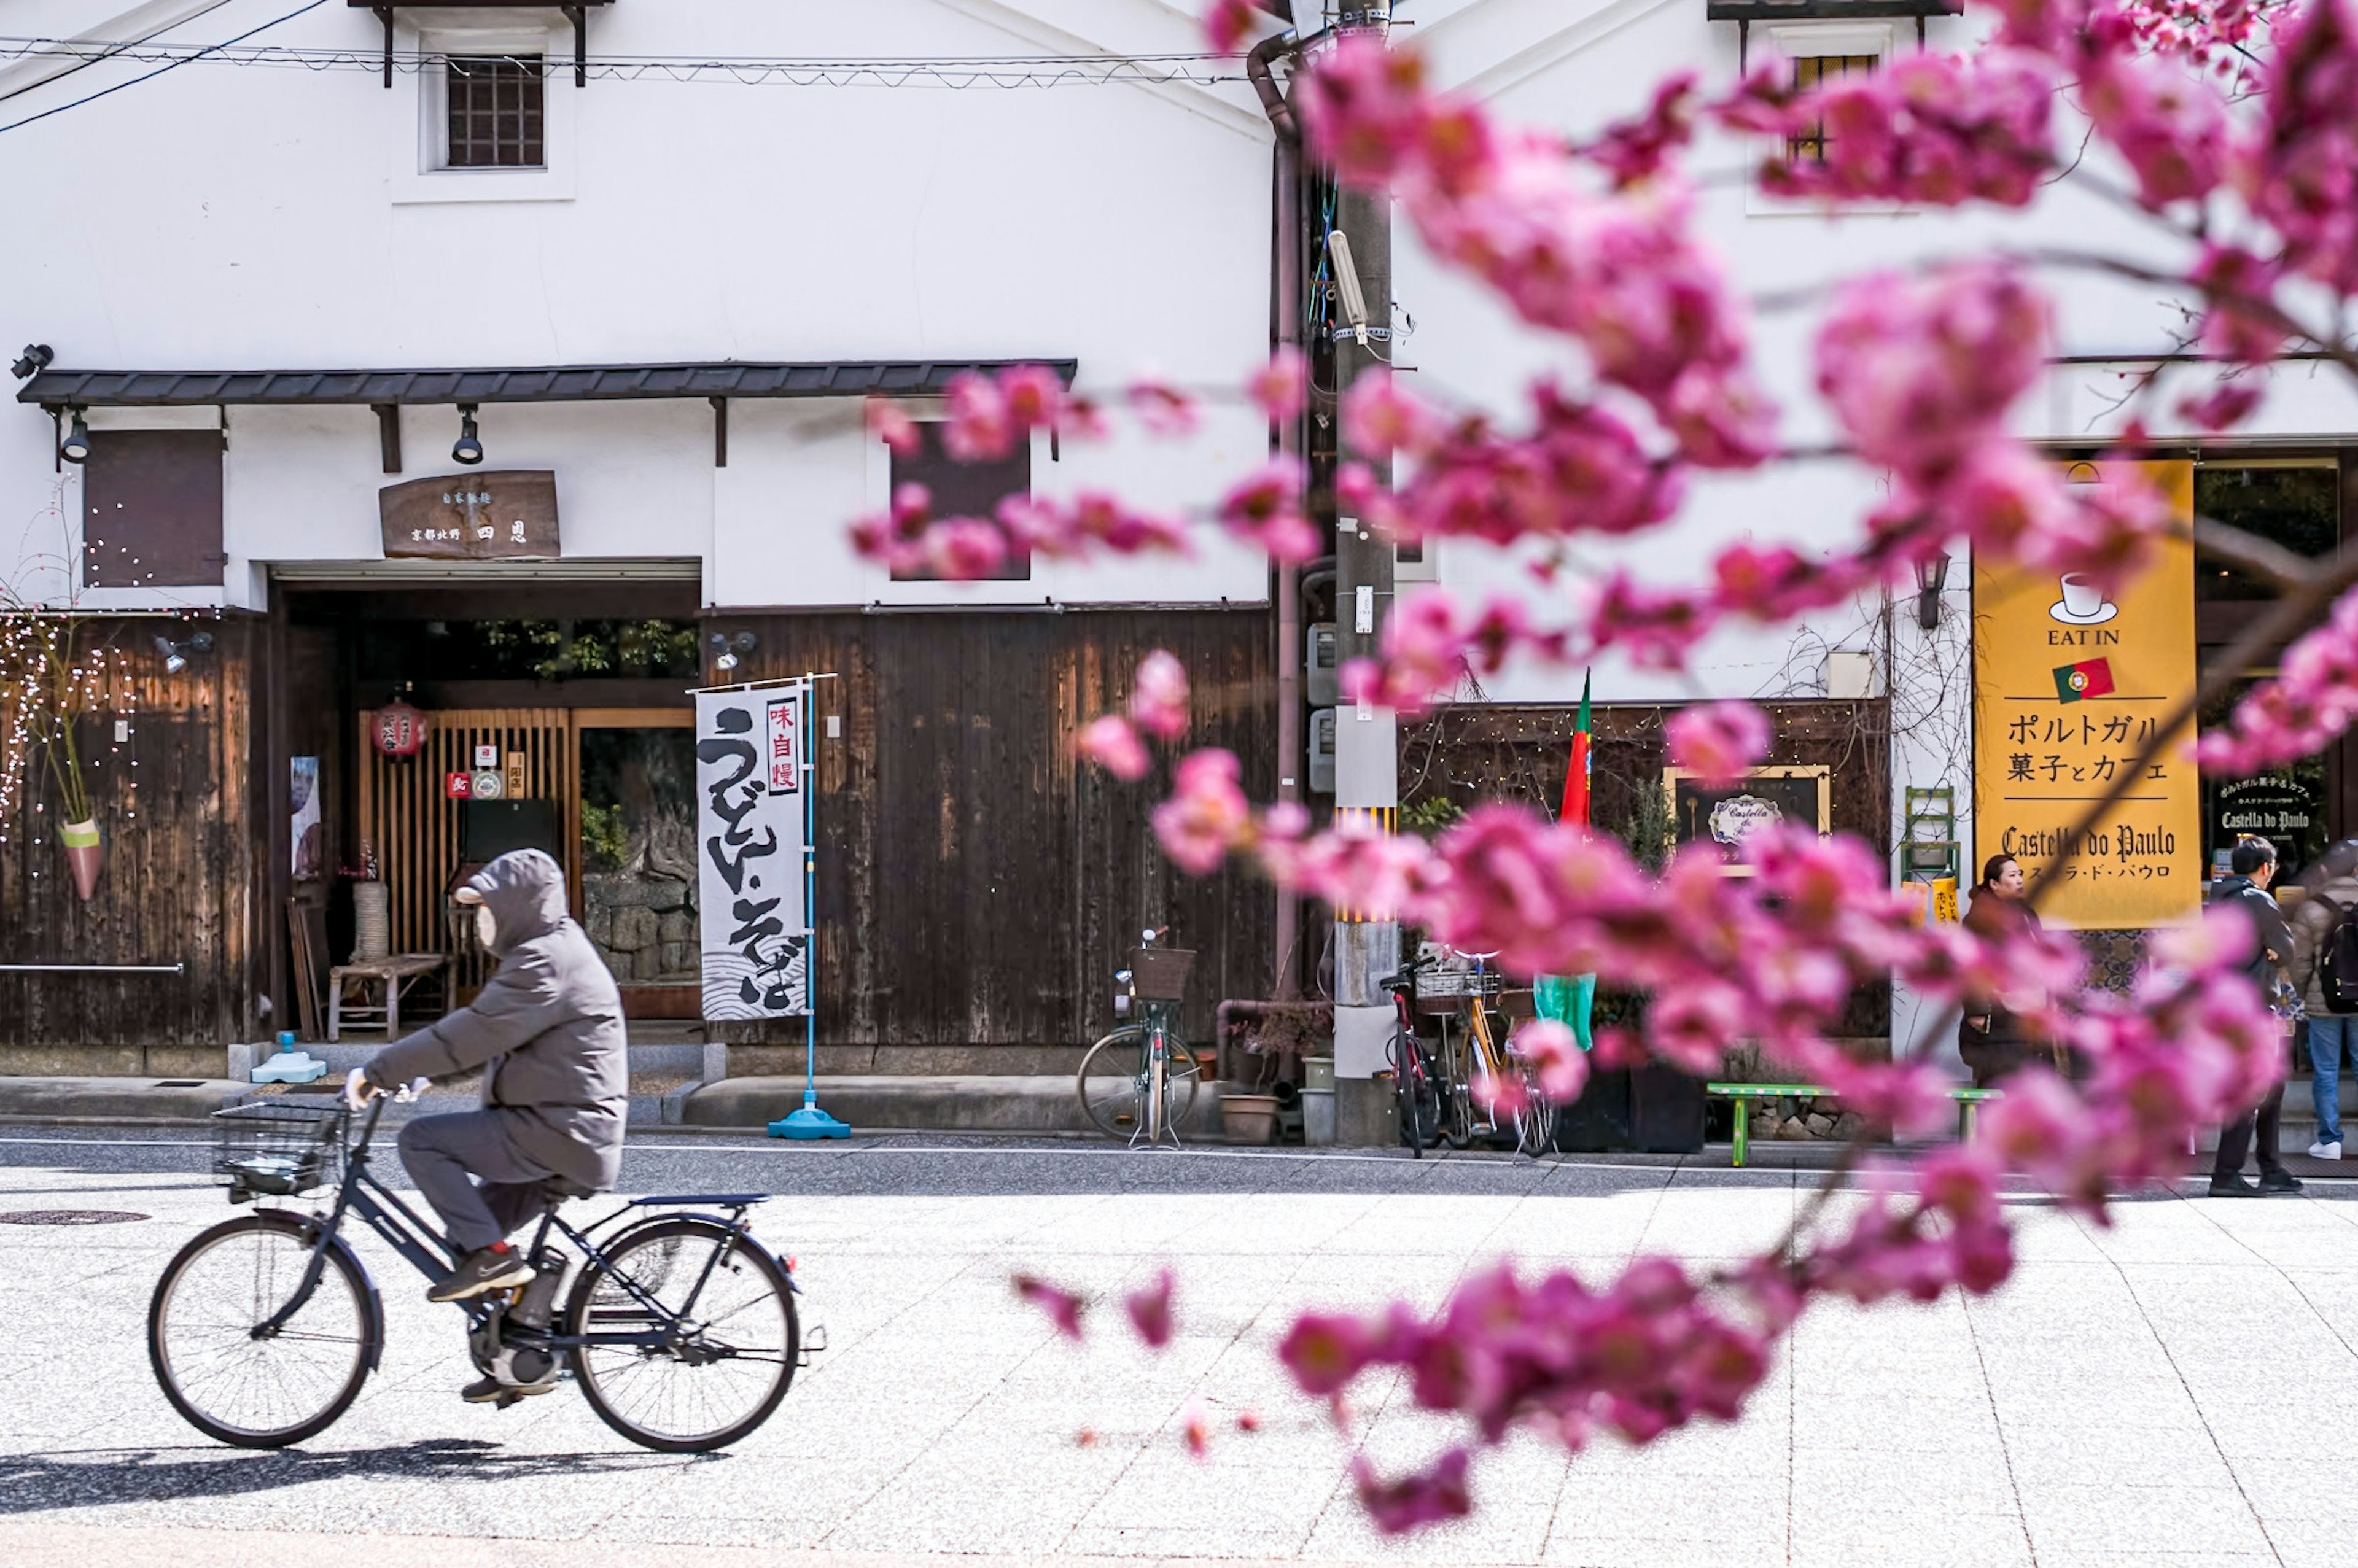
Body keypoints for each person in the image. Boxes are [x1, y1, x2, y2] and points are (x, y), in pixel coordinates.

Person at [342, 848, 628, 1398]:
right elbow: (494, 1040)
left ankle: (496, 1262)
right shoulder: (550, 951)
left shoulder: (544, 959)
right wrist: (430, 1076)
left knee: (423, 1142)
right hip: (560, 1127)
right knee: (465, 1234)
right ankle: (519, 1355)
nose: (480, 922)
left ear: (520, 906)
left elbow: (474, 1030)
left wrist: (380, 1069)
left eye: (487, 907)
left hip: (559, 1131)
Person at [2207, 837, 2304, 1197]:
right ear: (2266, 867)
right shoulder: (2259, 900)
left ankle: (2271, 1167)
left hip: (2229, 1006)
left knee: (2271, 1085)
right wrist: (2273, 951)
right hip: (2252, 1007)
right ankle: (2226, 1174)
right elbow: (2287, 950)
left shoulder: (2216, 899)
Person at [2290, 838, 2358, 1160]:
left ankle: (2330, 1141)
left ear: (2323, 870)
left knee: (2326, 1070)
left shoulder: (2312, 907)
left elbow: (2300, 962)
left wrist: (2307, 995)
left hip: (2324, 1001)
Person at [1959, 854, 2052, 1087]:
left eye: (2020, 874)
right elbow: (1971, 965)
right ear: (1994, 884)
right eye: (2012, 875)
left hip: (2028, 1013)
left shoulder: (2027, 913)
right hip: (1998, 1016)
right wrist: (1977, 1010)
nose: (2020, 879)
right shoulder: (1980, 920)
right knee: (1999, 1085)